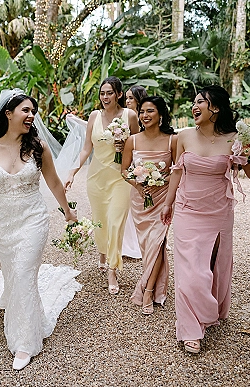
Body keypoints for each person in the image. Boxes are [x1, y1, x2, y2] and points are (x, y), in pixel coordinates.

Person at [0, 89, 79, 371]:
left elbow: (53, 182)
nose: (31, 115)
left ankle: (25, 342)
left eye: (32, 111)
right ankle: (11, 298)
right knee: (13, 272)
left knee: (24, 272)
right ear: (8, 113)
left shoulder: (39, 146)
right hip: (2, 222)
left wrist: (68, 212)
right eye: (25, 110)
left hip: (33, 219)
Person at [160, 85, 250, 354]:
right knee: (190, 272)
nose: (194, 107)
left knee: (211, 266)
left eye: (200, 102)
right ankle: (190, 329)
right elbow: (176, 172)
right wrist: (168, 203)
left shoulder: (235, 138)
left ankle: (210, 311)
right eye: (193, 103)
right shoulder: (182, 136)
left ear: (215, 108)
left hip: (218, 211)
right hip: (187, 209)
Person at [64, 76, 139, 294]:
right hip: (97, 178)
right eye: (102, 93)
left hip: (120, 178)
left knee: (116, 221)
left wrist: (125, 147)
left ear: (119, 95)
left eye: (109, 93)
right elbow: (87, 148)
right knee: (100, 221)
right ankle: (103, 252)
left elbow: (138, 144)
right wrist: (73, 171)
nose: (105, 97)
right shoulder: (94, 116)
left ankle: (112, 269)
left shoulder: (130, 115)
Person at [121, 96, 177, 315]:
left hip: (163, 198)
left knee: (159, 241)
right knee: (150, 246)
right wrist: (138, 182)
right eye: (142, 111)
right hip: (140, 199)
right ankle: (155, 285)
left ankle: (147, 290)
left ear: (160, 114)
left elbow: (177, 171)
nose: (145, 115)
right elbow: (124, 170)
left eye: (150, 111)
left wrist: (169, 199)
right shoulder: (132, 141)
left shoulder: (173, 140)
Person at [122, 85, 149, 260]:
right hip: (125, 164)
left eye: (131, 98)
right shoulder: (122, 118)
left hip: (140, 163)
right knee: (125, 203)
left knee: (142, 202)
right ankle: (127, 243)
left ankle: (145, 238)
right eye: (126, 98)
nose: (128, 101)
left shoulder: (147, 118)